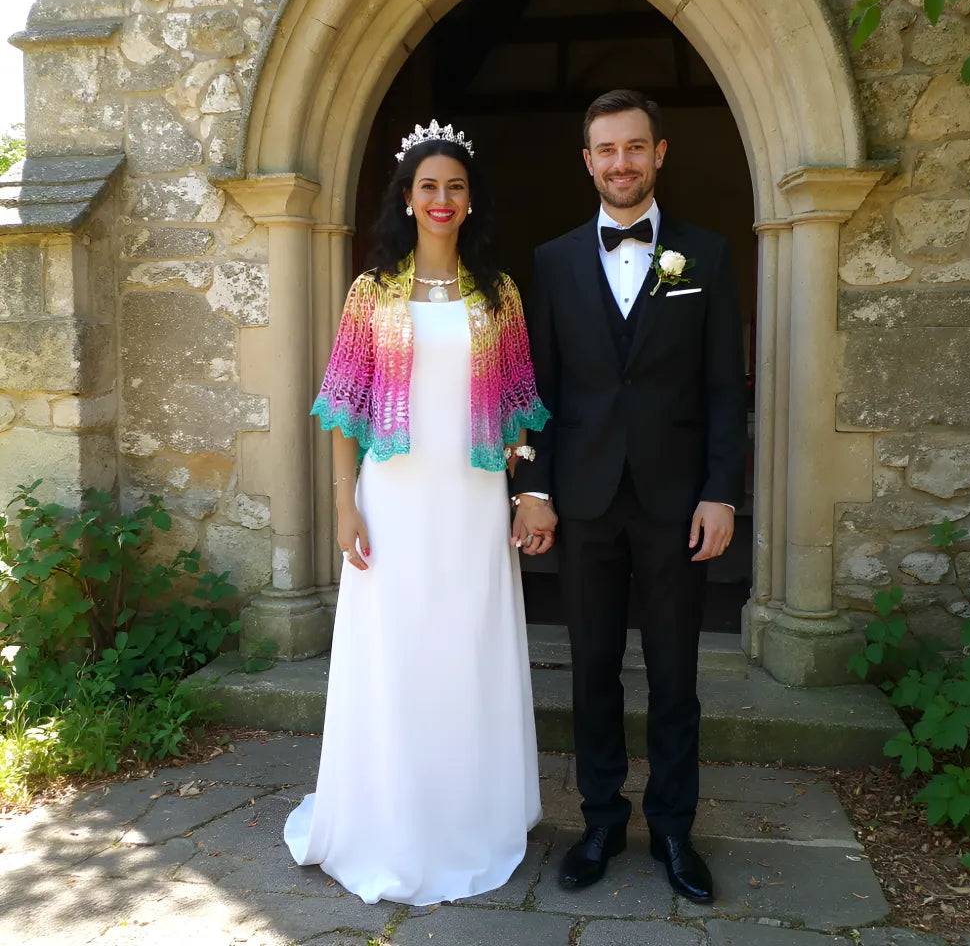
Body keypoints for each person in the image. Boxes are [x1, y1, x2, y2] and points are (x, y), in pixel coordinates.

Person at [284, 121, 551, 906]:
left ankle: (470, 815)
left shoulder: (498, 294)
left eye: (456, 186)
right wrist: (344, 506)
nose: (442, 199)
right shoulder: (371, 292)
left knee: (465, 650)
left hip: (470, 503)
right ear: (407, 198)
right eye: (428, 186)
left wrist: (518, 475)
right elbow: (340, 408)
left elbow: (521, 404)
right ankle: (390, 820)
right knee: (397, 655)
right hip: (391, 502)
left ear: (472, 202)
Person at [511, 90, 747, 905]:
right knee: (593, 670)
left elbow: (724, 389)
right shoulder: (551, 261)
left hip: (678, 503)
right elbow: (534, 387)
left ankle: (675, 828)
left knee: (676, 674)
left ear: (660, 153)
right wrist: (532, 487)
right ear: (587, 160)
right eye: (607, 150)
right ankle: (603, 820)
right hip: (582, 499)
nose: (622, 163)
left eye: (635, 148)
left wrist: (722, 494)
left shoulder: (707, 257)